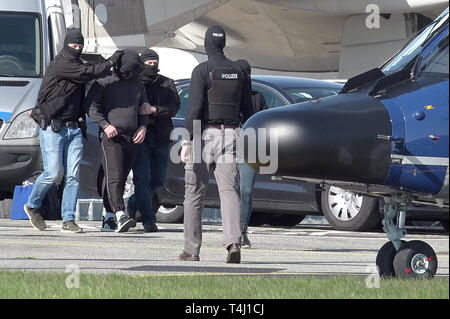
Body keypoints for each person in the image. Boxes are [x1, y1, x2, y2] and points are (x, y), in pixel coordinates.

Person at [25, 30, 123, 233]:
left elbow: (91, 74)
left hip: (75, 129)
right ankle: (33, 206)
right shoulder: (62, 63)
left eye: (80, 47)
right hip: (53, 128)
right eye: (73, 46)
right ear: (66, 45)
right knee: (52, 173)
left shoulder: (77, 66)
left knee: (73, 176)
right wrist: (111, 62)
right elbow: (87, 73)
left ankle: (68, 219)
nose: (76, 49)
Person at [179, 25, 254, 263]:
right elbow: (248, 109)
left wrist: (187, 141)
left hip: (204, 135)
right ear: (223, 45)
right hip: (232, 134)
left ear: (207, 45)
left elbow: (194, 109)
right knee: (230, 191)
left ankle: (191, 250)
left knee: (193, 193)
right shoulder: (239, 70)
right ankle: (233, 243)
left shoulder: (202, 70)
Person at [84, 49, 149, 233]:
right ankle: (120, 215)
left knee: (121, 178)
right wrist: (105, 125)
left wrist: (143, 127)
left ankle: (109, 216)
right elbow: (91, 107)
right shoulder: (104, 83)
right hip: (111, 137)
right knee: (115, 176)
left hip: (133, 137)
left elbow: (143, 108)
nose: (134, 73)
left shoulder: (138, 85)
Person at [127, 49, 180, 233]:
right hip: (140, 136)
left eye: (154, 63)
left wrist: (155, 110)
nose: (152, 66)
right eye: (148, 63)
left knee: (158, 179)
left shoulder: (167, 83)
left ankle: (132, 205)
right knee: (142, 178)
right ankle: (149, 219)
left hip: (162, 136)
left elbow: (174, 108)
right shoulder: (134, 83)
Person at [235, 60, 268, 249]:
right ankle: (232, 230)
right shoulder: (229, 96)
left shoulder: (257, 97)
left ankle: (242, 230)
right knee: (231, 190)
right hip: (228, 145)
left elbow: (263, 122)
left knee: (246, 190)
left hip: (250, 148)